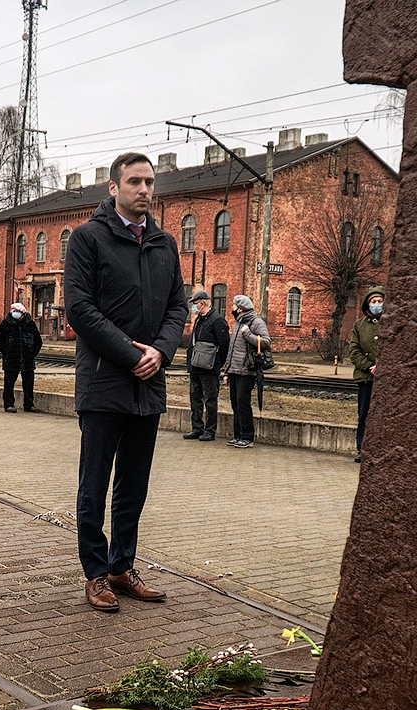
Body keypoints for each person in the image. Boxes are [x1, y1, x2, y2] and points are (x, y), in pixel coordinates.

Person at [65, 152, 187, 612]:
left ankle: (122, 566)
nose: (144, 190)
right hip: (103, 385)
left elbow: (178, 306)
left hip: (148, 386)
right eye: (134, 181)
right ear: (113, 188)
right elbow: (80, 308)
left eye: (149, 182)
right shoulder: (88, 239)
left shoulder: (163, 243)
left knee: (133, 486)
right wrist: (129, 353)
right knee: (94, 486)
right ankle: (95, 574)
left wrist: (161, 350)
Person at [221, 294, 270, 449]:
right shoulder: (237, 323)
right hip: (235, 370)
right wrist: (227, 371)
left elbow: (266, 342)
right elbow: (232, 349)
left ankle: (247, 436)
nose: (232, 309)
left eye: (234, 306)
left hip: (247, 371)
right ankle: (238, 435)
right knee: (235, 403)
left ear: (240, 308)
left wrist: (248, 334)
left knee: (243, 403)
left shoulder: (256, 322)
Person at [183, 288, 229, 442]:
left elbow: (224, 345)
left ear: (202, 303)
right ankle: (197, 428)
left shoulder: (217, 320)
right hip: (195, 366)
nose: (193, 308)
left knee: (210, 399)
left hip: (209, 368)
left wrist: (218, 364)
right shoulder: (199, 319)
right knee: (195, 398)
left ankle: (210, 430)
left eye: (195, 304)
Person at [349, 286, 385, 463]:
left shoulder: (390, 323)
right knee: (364, 414)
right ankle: (361, 448)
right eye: (373, 301)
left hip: (385, 379)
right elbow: (354, 350)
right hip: (365, 377)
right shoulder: (359, 325)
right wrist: (369, 366)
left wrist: (383, 366)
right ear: (367, 304)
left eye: (380, 301)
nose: (377, 305)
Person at [0, 302, 43, 412]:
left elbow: (38, 341)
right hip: (11, 358)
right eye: (14, 311)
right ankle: (9, 404)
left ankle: (29, 404)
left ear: (23, 313)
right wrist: (6, 351)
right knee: (9, 383)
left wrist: (32, 353)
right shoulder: (6, 323)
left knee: (28, 383)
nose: (15, 313)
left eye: (18, 312)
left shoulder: (30, 324)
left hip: (27, 358)